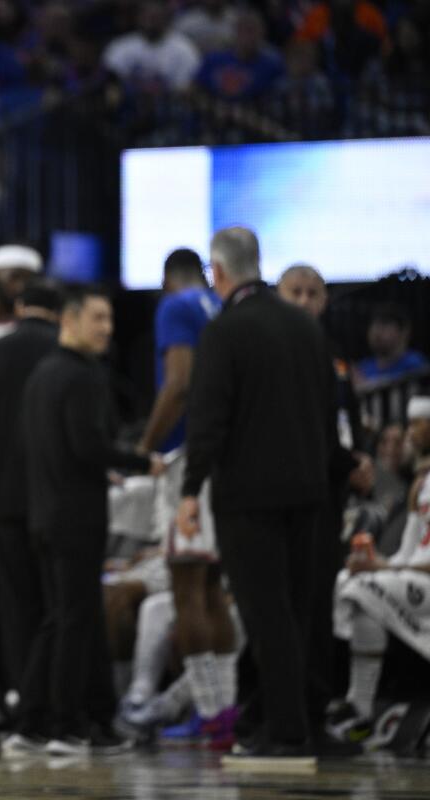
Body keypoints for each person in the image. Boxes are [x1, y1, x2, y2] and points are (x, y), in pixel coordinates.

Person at [177, 226, 335, 765]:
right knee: (297, 611)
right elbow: (327, 411)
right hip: (312, 493)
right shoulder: (306, 326)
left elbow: (209, 419)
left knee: (268, 615)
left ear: (217, 273)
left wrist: (190, 488)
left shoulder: (226, 330)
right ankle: (282, 720)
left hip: (250, 497)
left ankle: (286, 736)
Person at [16, 285, 163, 755]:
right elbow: (88, 447)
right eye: (98, 318)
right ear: (70, 320)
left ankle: (32, 722)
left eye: (111, 319)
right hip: (76, 517)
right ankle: (67, 726)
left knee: (58, 620)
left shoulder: (42, 374)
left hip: (43, 513)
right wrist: (142, 464)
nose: (107, 328)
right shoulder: (83, 376)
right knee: (75, 621)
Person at [133, 247, 237, 747]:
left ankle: (213, 711)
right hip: (226, 456)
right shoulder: (222, 305)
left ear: (166, 278)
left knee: (187, 587)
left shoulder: (176, 306)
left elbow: (177, 385)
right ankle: (224, 711)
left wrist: (144, 446)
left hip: (188, 462)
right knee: (213, 585)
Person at [278, 262, 371, 755]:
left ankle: (319, 708)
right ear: (278, 294)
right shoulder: (280, 351)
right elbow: (304, 430)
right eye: (295, 291)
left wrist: (360, 459)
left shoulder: (333, 355)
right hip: (297, 497)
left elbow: (340, 420)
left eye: (314, 293)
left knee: (321, 606)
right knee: (300, 608)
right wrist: (343, 463)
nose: (305, 301)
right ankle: (296, 715)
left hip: (331, 496)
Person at [0, 278, 61, 702]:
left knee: (15, 602)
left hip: (2, 493)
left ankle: (20, 695)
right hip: (57, 497)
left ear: (20, 305)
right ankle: (58, 697)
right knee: (57, 602)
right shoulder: (66, 354)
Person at [328, 397, 430, 742]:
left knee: (361, 588)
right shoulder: (421, 483)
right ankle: (359, 703)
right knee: (349, 578)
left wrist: (382, 567)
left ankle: (359, 702)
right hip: (418, 578)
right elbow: (407, 551)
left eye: (418, 425)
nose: (409, 433)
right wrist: (377, 564)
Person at [103, 1, 202, 92]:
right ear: (138, 17)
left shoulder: (184, 48)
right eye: (147, 15)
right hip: (128, 106)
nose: (151, 21)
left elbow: (185, 87)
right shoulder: (121, 46)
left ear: (166, 17)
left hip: (169, 106)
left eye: (155, 16)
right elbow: (111, 82)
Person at [354, 302, 428, 386]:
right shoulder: (363, 368)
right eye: (373, 324)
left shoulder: (415, 364)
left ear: (404, 331)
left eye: (385, 324)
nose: (376, 331)